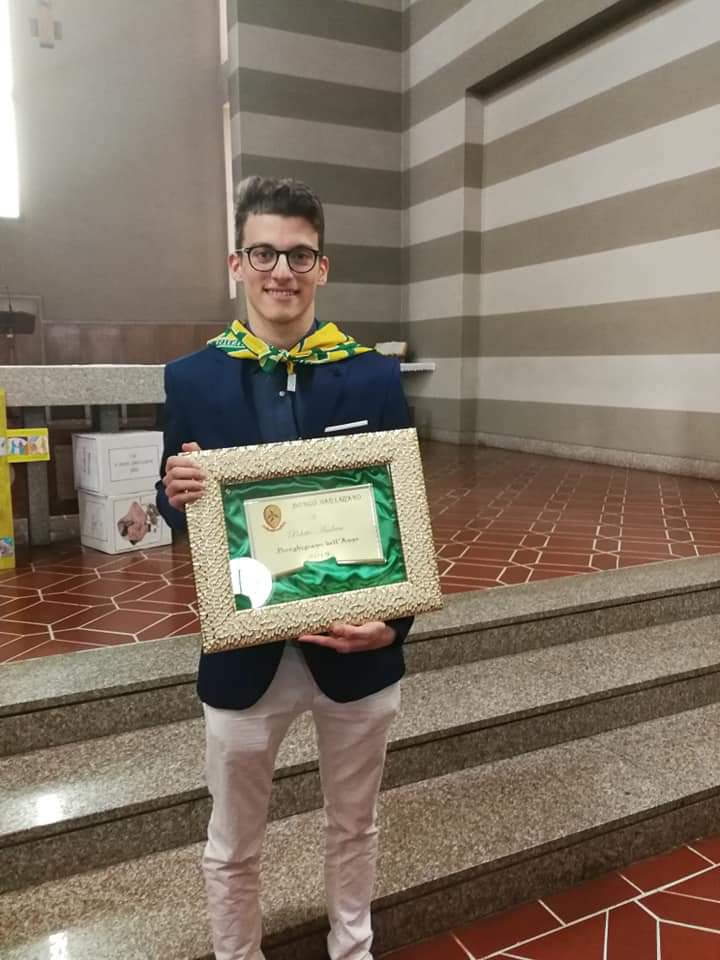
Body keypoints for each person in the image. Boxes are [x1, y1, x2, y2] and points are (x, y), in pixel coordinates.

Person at [156, 176, 413, 960]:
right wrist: (175, 493)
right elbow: (181, 507)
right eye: (264, 252)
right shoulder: (191, 378)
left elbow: (402, 512)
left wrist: (392, 623)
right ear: (237, 263)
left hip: (355, 647)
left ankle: (352, 949)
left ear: (321, 267)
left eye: (300, 255)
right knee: (233, 841)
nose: (282, 271)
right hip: (245, 649)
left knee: (355, 825)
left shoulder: (372, 375)